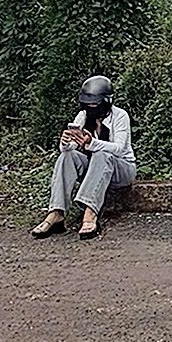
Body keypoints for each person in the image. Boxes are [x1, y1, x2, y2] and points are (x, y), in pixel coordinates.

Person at [36, 75, 134, 239]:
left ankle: (90, 213)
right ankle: (56, 212)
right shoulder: (83, 116)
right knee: (67, 157)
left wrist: (91, 143)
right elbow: (71, 148)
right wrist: (66, 143)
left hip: (122, 169)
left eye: (94, 104)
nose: (91, 107)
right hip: (94, 168)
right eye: (88, 104)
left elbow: (119, 149)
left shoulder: (120, 116)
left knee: (102, 154)